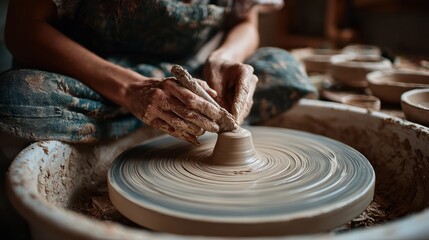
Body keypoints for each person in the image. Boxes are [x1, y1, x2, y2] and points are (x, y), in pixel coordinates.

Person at [0, 0, 316, 160]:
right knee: (15, 99)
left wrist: (222, 58)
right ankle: (166, 119)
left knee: (284, 71)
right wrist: (131, 89)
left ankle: (176, 114)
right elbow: (23, 31)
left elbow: (246, 21)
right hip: (98, 76)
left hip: (188, 74)